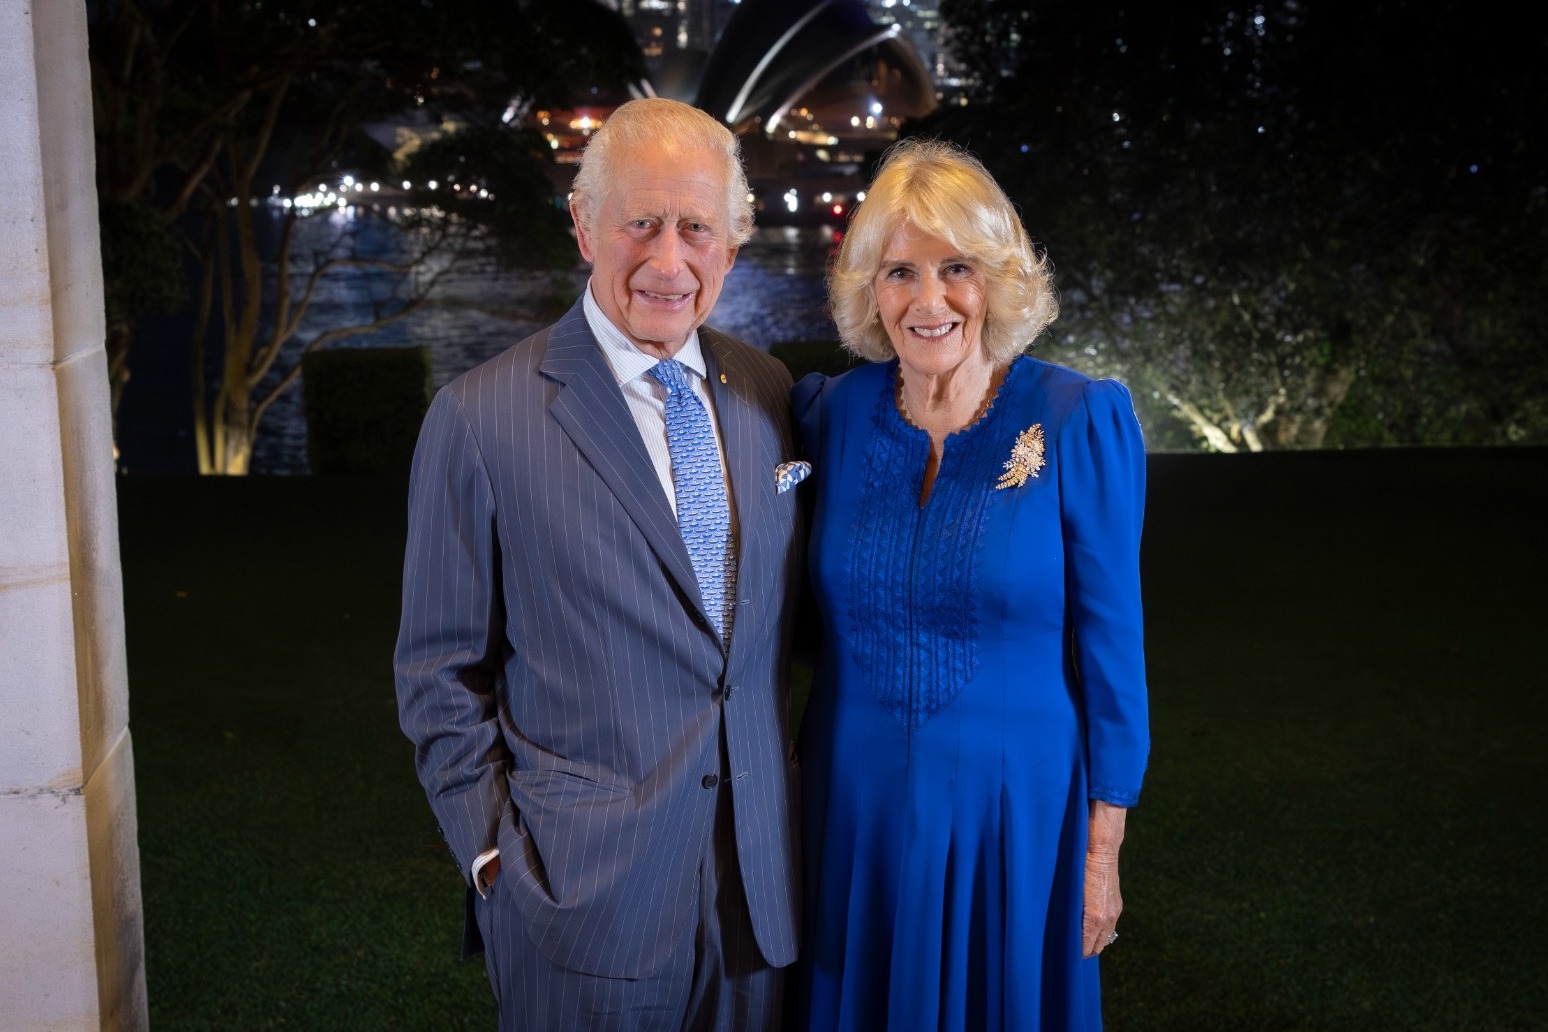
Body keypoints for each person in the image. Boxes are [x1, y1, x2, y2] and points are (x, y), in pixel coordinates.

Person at [394, 97, 806, 1031]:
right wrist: (493, 858)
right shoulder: (480, 418)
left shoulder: (768, 391)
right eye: (641, 223)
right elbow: (437, 671)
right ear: (584, 226)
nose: (668, 260)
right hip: (579, 906)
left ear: (732, 244)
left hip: (760, 900)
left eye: (696, 228)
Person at [791, 138, 1150, 1030]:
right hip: (855, 813)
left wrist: (1101, 852)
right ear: (870, 289)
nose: (929, 300)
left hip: (1018, 820)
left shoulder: (1077, 418)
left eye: (956, 268)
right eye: (900, 272)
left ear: (996, 278)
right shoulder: (831, 416)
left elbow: (1115, 654)